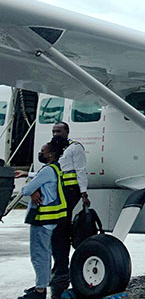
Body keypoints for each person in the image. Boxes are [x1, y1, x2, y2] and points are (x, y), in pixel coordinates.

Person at [17, 138, 69, 299]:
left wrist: (32, 188)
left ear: (51, 154)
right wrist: (33, 182)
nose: (41, 153)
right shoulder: (55, 168)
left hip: (42, 219)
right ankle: (41, 286)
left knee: (39, 255)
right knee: (44, 254)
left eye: (43, 151)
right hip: (50, 220)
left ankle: (40, 290)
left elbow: (26, 190)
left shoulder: (47, 171)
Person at [50, 121, 89, 286]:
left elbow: (80, 170)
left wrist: (83, 193)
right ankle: (59, 265)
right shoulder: (56, 150)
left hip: (70, 192)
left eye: (59, 131)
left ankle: (61, 269)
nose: (55, 134)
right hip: (59, 192)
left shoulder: (75, 148)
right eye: (53, 131)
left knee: (60, 228)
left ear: (67, 132)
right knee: (58, 229)